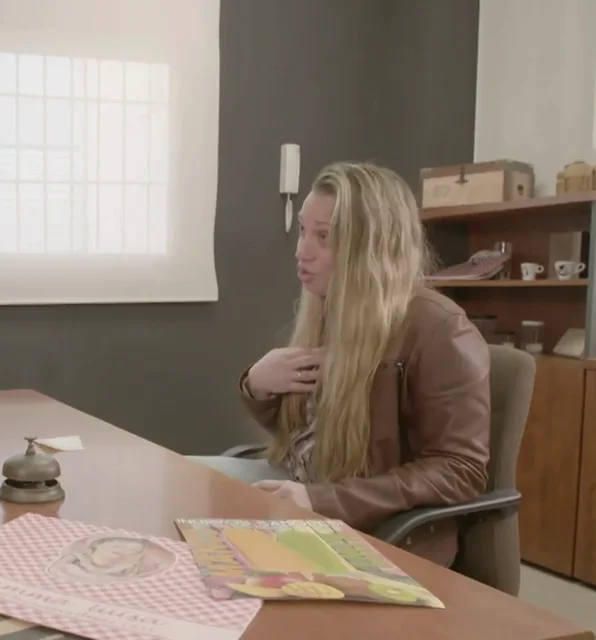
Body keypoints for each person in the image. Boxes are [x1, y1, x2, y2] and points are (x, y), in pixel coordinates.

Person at [193, 162, 490, 567]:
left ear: (372, 247)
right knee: (182, 493)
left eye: (324, 237)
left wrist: (321, 500)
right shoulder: (333, 310)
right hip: (298, 489)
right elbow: (312, 436)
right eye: (302, 230)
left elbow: (461, 469)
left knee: (205, 565)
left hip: (373, 529)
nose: (302, 250)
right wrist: (258, 386)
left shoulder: (440, 329)